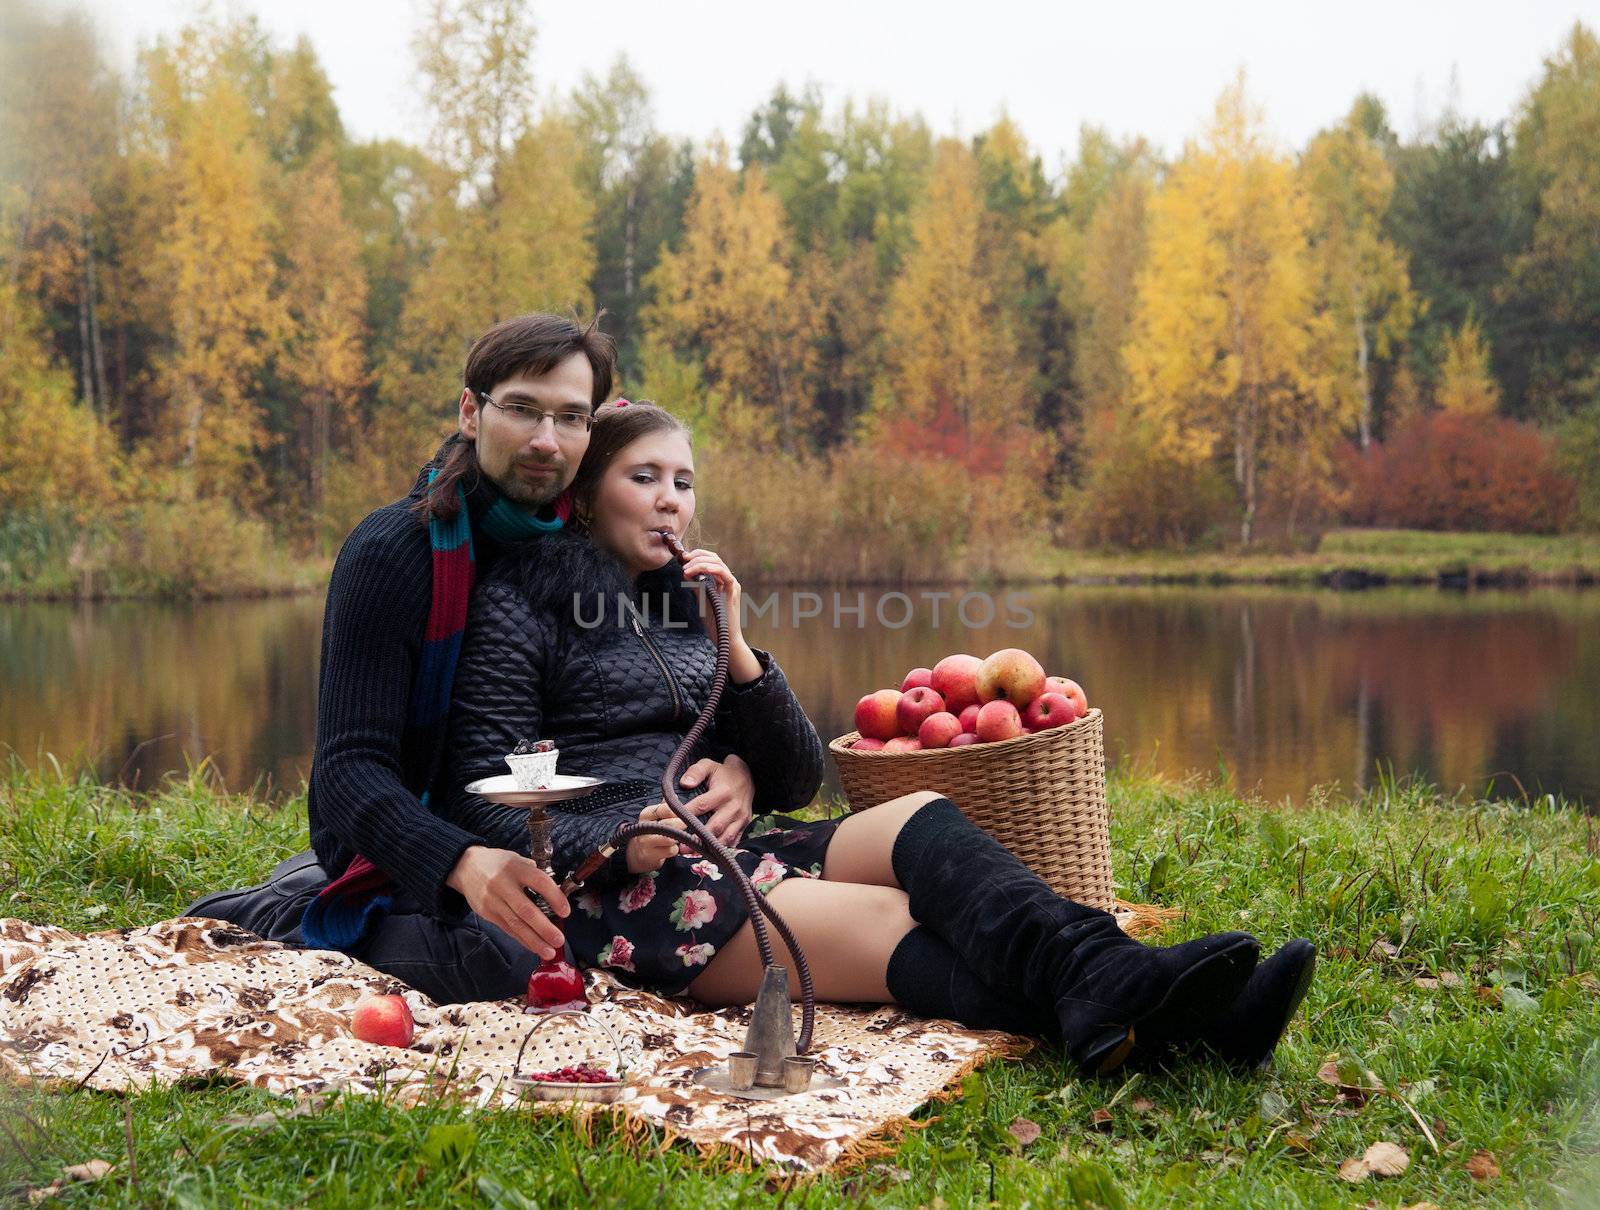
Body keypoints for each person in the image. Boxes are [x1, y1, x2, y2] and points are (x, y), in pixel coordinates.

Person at [443, 401, 1318, 1075]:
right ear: (588, 492)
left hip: (739, 845)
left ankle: (1117, 985)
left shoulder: (689, 603)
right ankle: (1179, 1031)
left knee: (918, 813)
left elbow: (792, 777)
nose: (672, 499)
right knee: (893, 917)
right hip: (629, 895)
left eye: (685, 479)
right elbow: (487, 784)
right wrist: (624, 835)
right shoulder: (525, 602)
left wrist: (738, 651)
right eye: (644, 477)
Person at [185, 314, 760, 1005]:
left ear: (590, 433)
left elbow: (652, 706)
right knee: (514, 961)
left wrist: (736, 767)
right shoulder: (394, 551)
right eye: (522, 409)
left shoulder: (599, 555)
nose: (547, 441)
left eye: (572, 418)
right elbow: (347, 771)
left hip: (549, 830)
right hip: (418, 839)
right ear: (471, 411)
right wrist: (459, 861)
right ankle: (283, 913)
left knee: (585, 942)